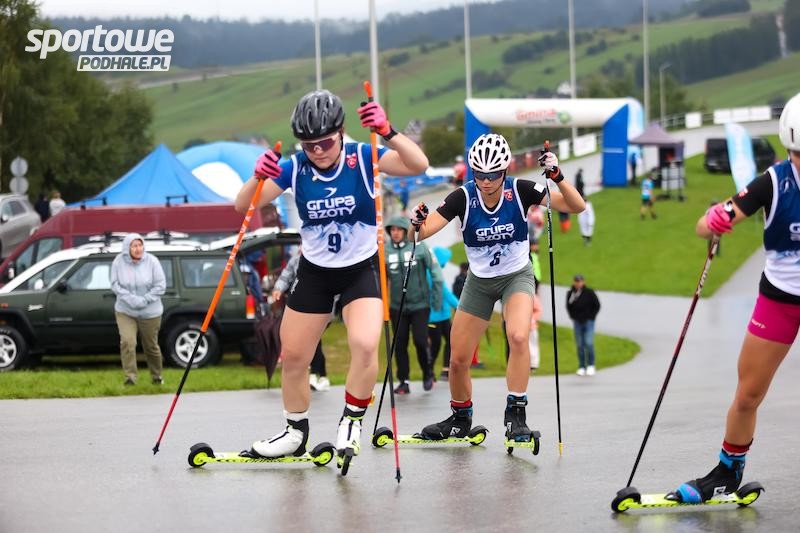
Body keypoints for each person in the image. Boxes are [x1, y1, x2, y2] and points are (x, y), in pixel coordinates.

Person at [234, 89, 428, 464]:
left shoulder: (363, 156)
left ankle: (352, 421)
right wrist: (257, 176)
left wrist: (388, 131)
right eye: (309, 145)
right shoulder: (296, 167)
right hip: (316, 272)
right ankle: (294, 433)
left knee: (365, 344)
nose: (318, 151)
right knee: (293, 356)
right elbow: (244, 205)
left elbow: (418, 164)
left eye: (325, 142)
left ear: (340, 132)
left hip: (360, 270)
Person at [667, 92, 800, 504]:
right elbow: (703, 226)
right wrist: (712, 221)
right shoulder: (773, 182)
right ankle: (728, 472)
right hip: (780, 299)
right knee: (748, 394)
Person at [408, 133, 584, 442]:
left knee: (518, 336)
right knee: (458, 359)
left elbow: (576, 205)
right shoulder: (463, 197)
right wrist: (416, 222)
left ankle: (516, 414)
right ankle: (460, 418)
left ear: (504, 171)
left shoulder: (521, 190)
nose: (486, 181)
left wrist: (557, 176)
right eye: (480, 174)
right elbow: (421, 234)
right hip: (479, 282)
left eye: (493, 174)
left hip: (516, 276)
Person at [385, 215, 443, 393]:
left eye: (399, 229)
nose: (395, 233)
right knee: (399, 343)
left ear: (405, 231)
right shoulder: (384, 251)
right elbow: (379, 280)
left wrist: (436, 300)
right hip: (397, 307)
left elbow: (437, 274)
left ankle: (427, 373)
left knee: (420, 340)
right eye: (392, 230)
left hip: (420, 305)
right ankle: (404, 381)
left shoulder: (420, 246)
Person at [110, 233, 166, 385]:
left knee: (151, 346)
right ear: (127, 248)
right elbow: (115, 285)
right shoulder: (118, 262)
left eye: (140, 245)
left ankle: (157, 376)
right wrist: (131, 299)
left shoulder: (152, 261)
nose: (138, 249)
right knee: (127, 342)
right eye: (134, 246)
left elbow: (160, 286)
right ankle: (130, 377)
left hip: (150, 312)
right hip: (126, 311)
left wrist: (145, 299)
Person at [271, 248, 330, 392]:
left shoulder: (325, 259)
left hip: (322, 308)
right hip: (302, 307)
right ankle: (319, 375)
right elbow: (285, 276)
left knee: (313, 340)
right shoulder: (296, 260)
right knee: (308, 342)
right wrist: (278, 289)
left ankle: (316, 375)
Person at [428, 246, 459, 382]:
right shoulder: (431, 273)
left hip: (444, 315)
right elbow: (446, 293)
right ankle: (429, 371)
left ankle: (446, 369)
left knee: (450, 341)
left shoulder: (436, 270)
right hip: (433, 317)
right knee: (435, 344)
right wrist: (461, 306)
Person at [566, 274, 601, 376]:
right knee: (580, 345)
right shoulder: (571, 293)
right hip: (577, 322)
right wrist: (573, 316)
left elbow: (597, 305)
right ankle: (582, 366)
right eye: (576, 281)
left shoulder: (589, 292)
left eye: (580, 281)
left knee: (589, 343)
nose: (578, 283)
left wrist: (591, 317)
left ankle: (591, 365)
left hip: (588, 321)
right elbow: (568, 306)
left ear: (583, 282)